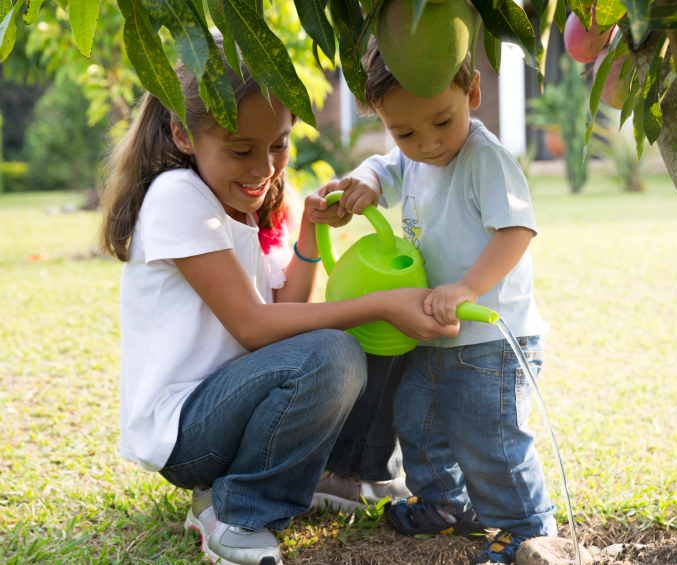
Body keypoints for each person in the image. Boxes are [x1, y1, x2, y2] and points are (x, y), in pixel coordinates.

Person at [100, 35, 457, 565]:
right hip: (188, 431)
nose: (264, 167)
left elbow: (288, 302)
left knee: (365, 327)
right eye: (241, 149)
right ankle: (238, 510)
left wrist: (310, 230)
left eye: (279, 144)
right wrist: (381, 305)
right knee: (337, 346)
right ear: (182, 133)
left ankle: (343, 473)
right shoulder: (179, 197)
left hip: (244, 404)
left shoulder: (257, 200)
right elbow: (253, 325)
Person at [328, 38, 557, 565]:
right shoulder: (411, 157)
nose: (427, 143)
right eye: (404, 131)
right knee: (419, 421)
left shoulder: (485, 159)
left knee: (490, 438)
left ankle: (527, 528)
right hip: (431, 330)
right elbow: (386, 168)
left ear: (472, 92)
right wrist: (363, 180)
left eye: (440, 123)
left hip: (488, 339)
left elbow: (517, 229)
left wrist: (467, 288)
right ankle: (443, 503)